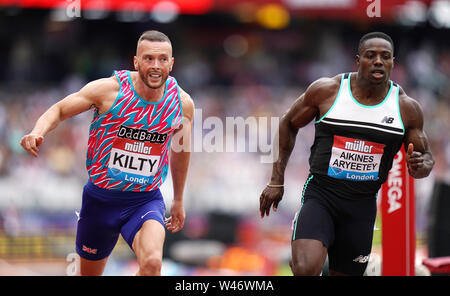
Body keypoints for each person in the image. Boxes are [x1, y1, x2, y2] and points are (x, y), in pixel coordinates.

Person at [20, 30, 195, 276]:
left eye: (163, 59)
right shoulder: (109, 91)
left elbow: (181, 150)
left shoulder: (182, 104)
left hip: (144, 200)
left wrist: (178, 199)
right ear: (136, 61)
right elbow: (60, 110)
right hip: (100, 201)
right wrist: (37, 131)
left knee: (153, 264)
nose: (156, 66)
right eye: (148, 59)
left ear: (172, 63)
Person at [259, 32, 434, 276]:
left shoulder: (406, 108)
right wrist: (276, 180)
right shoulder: (328, 91)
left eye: (385, 57)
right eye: (370, 56)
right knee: (305, 268)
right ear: (358, 59)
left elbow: (426, 158)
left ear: (393, 62)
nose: (378, 62)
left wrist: (420, 165)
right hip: (321, 196)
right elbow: (288, 122)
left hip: (361, 206)